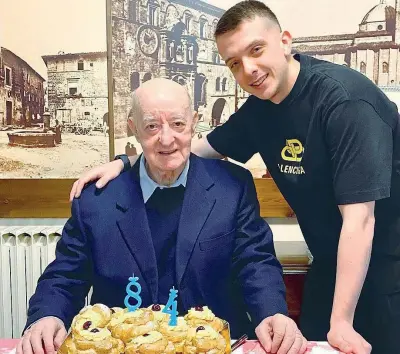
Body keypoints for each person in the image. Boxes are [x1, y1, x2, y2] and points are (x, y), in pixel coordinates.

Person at [70, 1, 400, 353]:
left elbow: (360, 221)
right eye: (234, 63)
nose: (249, 70)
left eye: (256, 50)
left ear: (285, 41)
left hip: (388, 271)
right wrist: (127, 162)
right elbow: (188, 149)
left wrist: (341, 323)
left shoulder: (345, 102)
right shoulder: (261, 109)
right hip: (330, 264)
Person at [18, 78, 307, 354]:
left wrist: (272, 312)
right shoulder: (96, 199)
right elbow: (66, 275)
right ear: (134, 128)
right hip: (126, 346)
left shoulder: (233, 186)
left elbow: (254, 262)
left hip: (213, 345)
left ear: (194, 122)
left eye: (178, 124)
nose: (166, 139)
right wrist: (48, 316)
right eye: (152, 126)